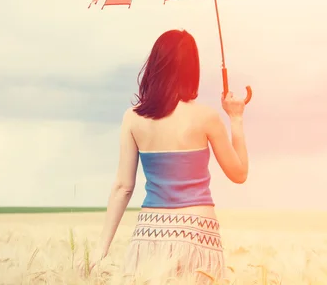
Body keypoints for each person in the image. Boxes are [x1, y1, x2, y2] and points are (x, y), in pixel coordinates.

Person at [77, 29, 249, 283]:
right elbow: (239, 173)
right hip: (198, 232)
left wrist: (101, 249)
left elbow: (123, 187)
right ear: (193, 69)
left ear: (154, 66)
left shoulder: (133, 118)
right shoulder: (206, 118)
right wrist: (235, 118)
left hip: (151, 232)